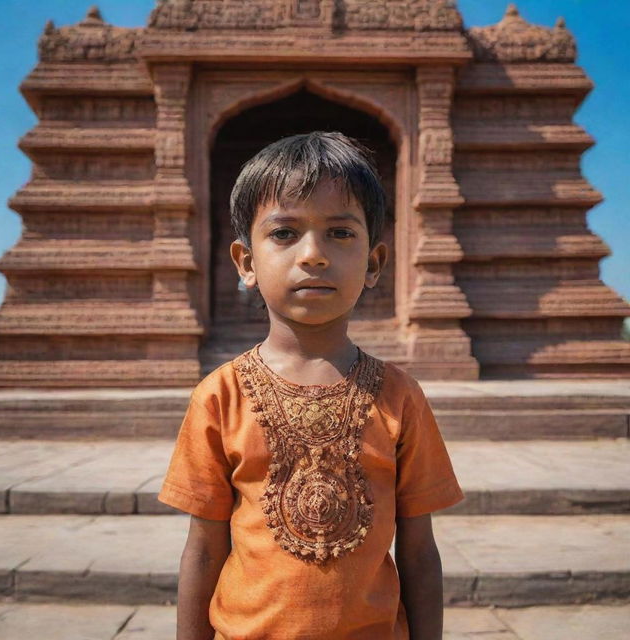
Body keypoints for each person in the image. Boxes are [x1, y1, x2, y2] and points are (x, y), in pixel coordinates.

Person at [158, 131, 464, 640]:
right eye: (284, 233)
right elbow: (205, 548)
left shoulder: (399, 397)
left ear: (374, 263)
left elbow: (418, 550)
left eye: (341, 234)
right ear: (246, 262)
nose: (314, 254)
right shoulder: (219, 396)